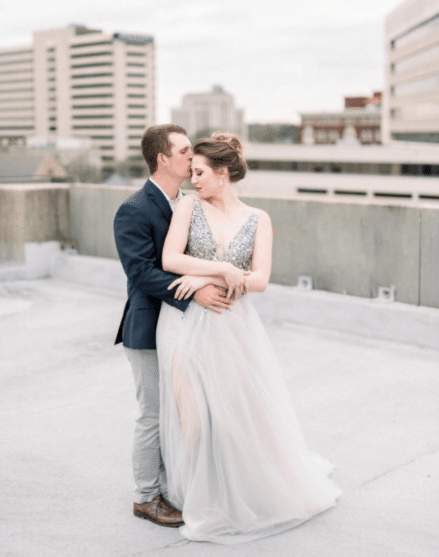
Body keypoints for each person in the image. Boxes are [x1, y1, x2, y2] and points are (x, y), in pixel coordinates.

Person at [156, 132, 342, 543]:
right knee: (193, 416)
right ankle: (199, 495)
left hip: (233, 326)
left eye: (200, 172)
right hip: (184, 323)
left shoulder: (258, 218)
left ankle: (239, 493)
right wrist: (215, 271)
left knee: (234, 413)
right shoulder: (187, 206)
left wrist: (217, 272)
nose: (192, 179)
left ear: (222, 173)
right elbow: (170, 258)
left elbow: (259, 280)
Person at [113, 125, 233, 528]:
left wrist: (222, 149)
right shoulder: (133, 208)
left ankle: (173, 487)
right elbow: (141, 272)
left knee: (184, 414)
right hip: (147, 331)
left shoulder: (189, 200)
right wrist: (194, 292)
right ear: (162, 159)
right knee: (152, 415)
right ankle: (146, 497)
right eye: (184, 151)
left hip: (187, 330)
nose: (190, 157)